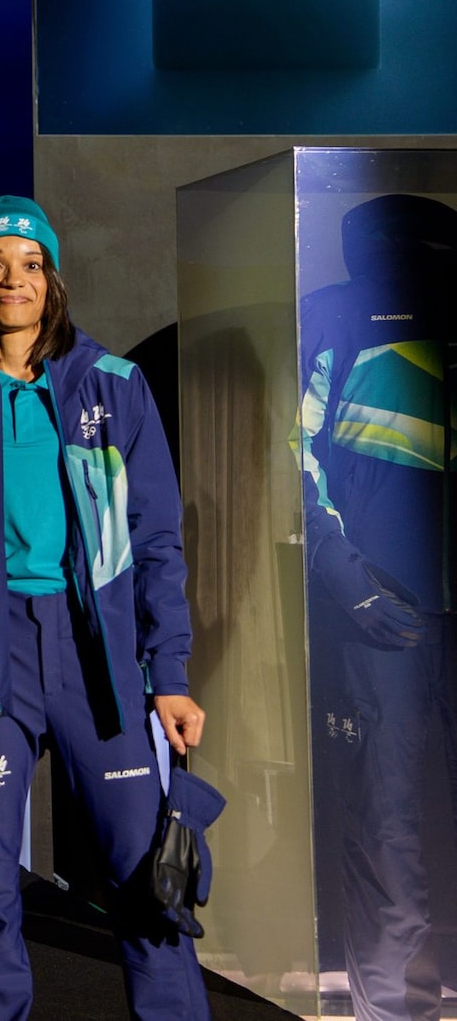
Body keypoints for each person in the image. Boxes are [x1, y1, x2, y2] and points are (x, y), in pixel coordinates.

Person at [0, 196, 210, 1020]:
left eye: (29, 265)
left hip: (93, 657)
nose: (12, 280)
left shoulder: (116, 386)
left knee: (145, 871)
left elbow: (158, 540)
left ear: (51, 279)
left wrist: (167, 673)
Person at [296, 194, 457, 1021]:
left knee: (388, 813)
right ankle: (393, 1008)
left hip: (383, 598)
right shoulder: (334, 314)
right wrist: (347, 579)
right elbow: (295, 460)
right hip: (385, 606)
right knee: (386, 812)